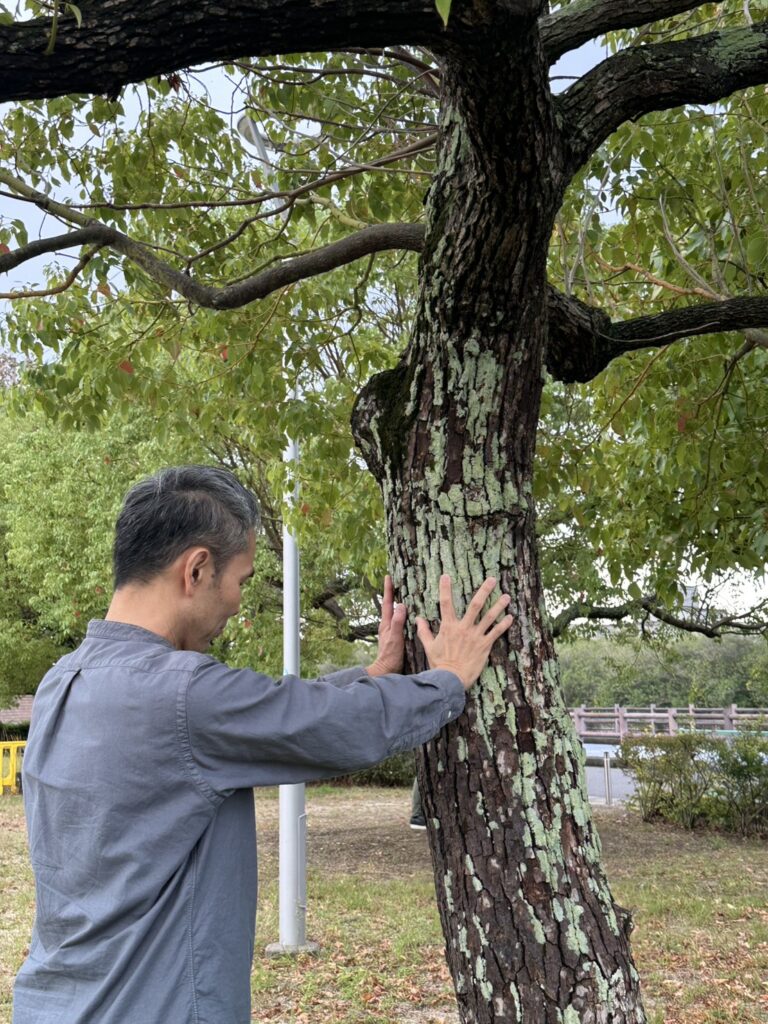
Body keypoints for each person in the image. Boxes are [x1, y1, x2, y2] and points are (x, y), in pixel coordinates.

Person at [13, 465, 513, 1024]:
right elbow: (326, 727)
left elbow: (272, 717)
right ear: (197, 569)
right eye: (241, 580)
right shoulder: (180, 692)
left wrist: (372, 675)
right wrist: (446, 680)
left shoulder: (63, 679)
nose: (236, 604)